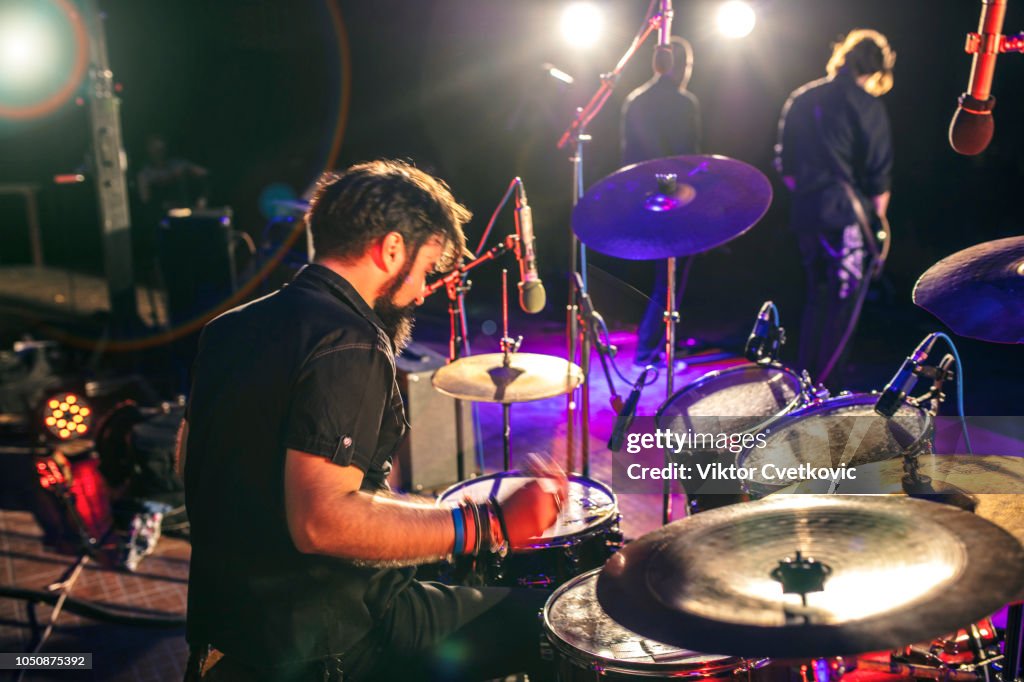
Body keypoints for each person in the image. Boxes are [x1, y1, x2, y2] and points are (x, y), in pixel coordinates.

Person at [178, 159, 566, 681]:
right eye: (427, 269)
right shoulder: (351, 341)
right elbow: (321, 521)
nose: (424, 289)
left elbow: (189, 458)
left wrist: (417, 517)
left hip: (229, 635)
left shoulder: (229, 328)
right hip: (328, 645)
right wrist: (487, 524)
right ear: (390, 250)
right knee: (550, 627)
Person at [775, 29, 895, 385]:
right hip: (845, 217)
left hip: (807, 212)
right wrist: (880, 223)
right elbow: (879, 173)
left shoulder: (801, 96)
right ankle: (825, 390)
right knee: (842, 307)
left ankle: (805, 381)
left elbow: (786, 166)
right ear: (876, 69)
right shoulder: (867, 104)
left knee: (817, 298)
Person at [621, 37, 702, 367]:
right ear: (679, 66)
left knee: (661, 275)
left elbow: (628, 157)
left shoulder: (635, 100)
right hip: (674, 196)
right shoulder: (685, 103)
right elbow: (690, 156)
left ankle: (658, 347)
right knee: (669, 276)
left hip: (643, 195)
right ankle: (650, 351)